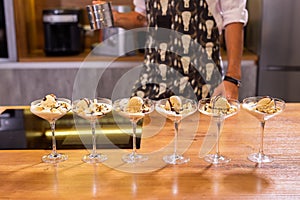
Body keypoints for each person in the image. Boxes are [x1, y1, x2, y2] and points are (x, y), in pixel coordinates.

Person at [92, 0, 248, 101]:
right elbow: (144, 17)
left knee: (200, 144)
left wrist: (233, 77)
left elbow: (234, 18)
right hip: (153, 80)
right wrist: (116, 18)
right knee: (149, 146)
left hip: (202, 81)